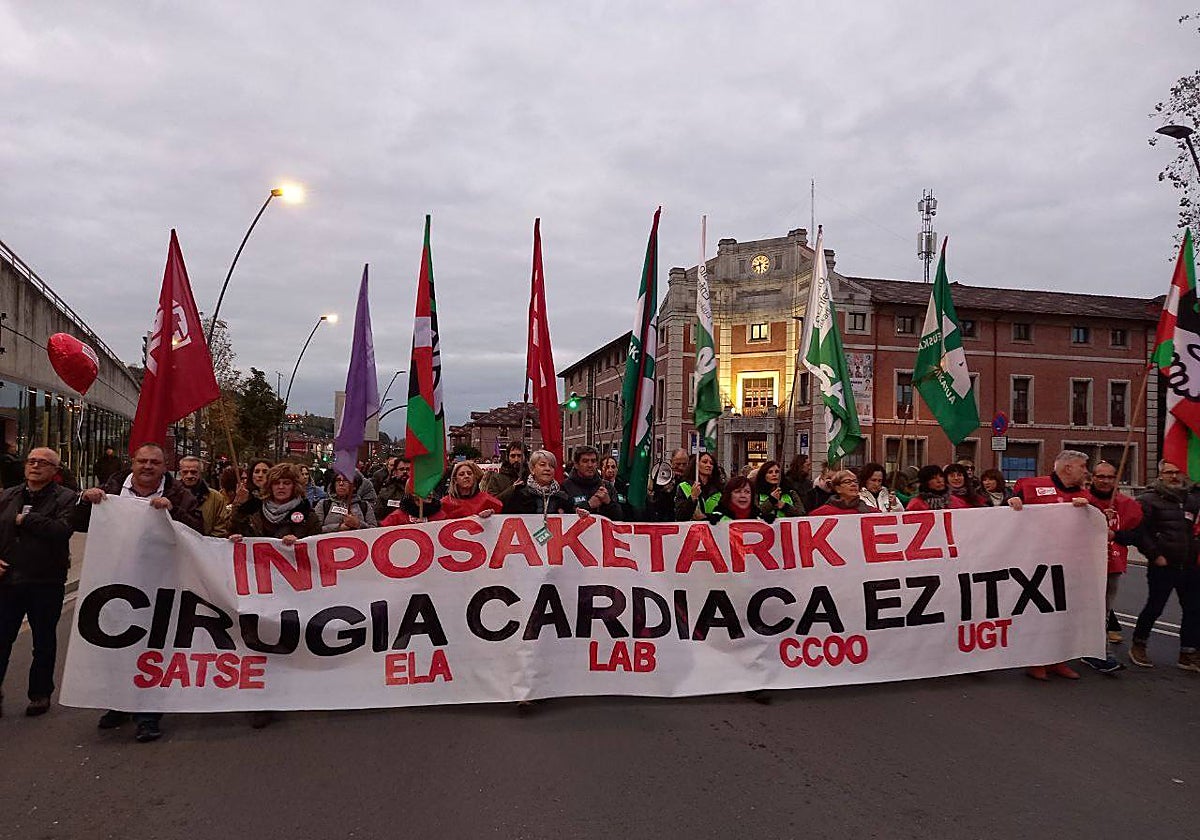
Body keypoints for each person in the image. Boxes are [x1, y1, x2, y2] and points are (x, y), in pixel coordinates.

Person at [78, 442, 202, 742]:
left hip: (161, 583)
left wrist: (173, 512)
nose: (147, 467)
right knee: (118, 645)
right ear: (132, 462)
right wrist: (85, 501)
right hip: (116, 583)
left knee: (153, 649)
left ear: (164, 466)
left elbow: (199, 531)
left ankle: (148, 714)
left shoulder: (180, 495)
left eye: (154, 463)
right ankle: (118, 704)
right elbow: (78, 523)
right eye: (142, 461)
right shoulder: (110, 490)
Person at [228, 463, 320, 729]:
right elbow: (232, 531)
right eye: (277, 483)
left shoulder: (307, 515)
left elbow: (318, 547)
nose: (281, 487)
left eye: (286, 483)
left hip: (291, 591)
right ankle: (262, 700)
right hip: (258, 588)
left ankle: (286, 690)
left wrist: (299, 546)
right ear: (269, 486)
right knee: (259, 642)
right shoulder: (253, 510)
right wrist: (236, 535)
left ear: (295, 486)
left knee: (286, 641)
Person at [0, 448, 77, 718]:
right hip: (8, 581)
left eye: (43, 463)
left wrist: (28, 519)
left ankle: (40, 693)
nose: (35, 466)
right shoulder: (8, 496)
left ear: (55, 470)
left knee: (43, 641)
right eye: (31, 461)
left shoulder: (66, 498)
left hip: (45, 580)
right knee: (1, 638)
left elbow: (61, 530)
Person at [1008, 449, 1094, 680]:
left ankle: (1058, 659)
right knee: (1038, 613)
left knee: (1064, 614)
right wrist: (1012, 503)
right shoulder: (1031, 486)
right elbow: (1007, 518)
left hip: (1070, 565)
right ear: (1068, 467)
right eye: (1082, 467)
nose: (1086, 472)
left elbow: (1098, 523)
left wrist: (1091, 510)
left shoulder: (1084, 495)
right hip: (1036, 563)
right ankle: (1035, 660)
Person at [1129, 460, 1200, 672]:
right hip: (1163, 564)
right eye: (1169, 472)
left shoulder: (1190, 499)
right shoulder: (1148, 500)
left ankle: (1188, 652)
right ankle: (1139, 644)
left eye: (1178, 472)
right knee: (1155, 607)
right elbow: (1139, 532)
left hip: (1189, 564)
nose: (1174, 476)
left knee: (1193, 609)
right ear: (1160, 475)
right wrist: (1155, 555)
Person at [1085, 461, 1142, 651]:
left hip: (1112, 564)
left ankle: (1099, 648)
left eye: (1110, 477)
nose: (1105, 481)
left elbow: (1137, 535)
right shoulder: (1081, 500)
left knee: (1105, 608)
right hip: (1083, 564)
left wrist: (1115, 535)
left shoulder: (1127, 504)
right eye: (1101, 476)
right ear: (1092, 478)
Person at [503, 450, 576, 516]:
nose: (547, 469)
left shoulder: (563, 497)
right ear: (532, 469)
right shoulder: (519, 496)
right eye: (542, 465)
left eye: (551, 466)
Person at [562, 445, 622, 519]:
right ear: (576, 465)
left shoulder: (607, 486)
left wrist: (608, 502)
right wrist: (588, 505)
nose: (590, 465)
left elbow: (620, 517)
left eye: (593, 461)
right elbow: (563, 517)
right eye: (585, 461)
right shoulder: (565, 487)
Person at [177, 456, 226, 537]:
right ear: (180, 473)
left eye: (193, 472)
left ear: (200, 472)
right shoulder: (170, 495)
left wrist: (205, 542)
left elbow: (221, 527)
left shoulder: (217, 498)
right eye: (185, 472)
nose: (189, 476)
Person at [675, 452, 723, 521]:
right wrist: (692, 498)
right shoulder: (684, 486)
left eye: (711, 463)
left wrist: (705, 517)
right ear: (696, 465)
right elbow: (680, 515)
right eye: (704, 462)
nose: (709, 465)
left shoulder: (719, 489)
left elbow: (724, 513)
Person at [649, 449, 689, 522]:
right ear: (671, 462)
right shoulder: (661, 478)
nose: (681, 467)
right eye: (678, 464)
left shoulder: (690, 480)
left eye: (684, 464)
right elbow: (655, 504)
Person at [905, 465, 970, 511]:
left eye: (941, 476)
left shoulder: (956, 501)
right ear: (925, 483)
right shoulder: (916, 504)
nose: (939, 480)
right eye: (933, 478)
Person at [375, 457, 413, 522]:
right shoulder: (386, 492)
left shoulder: (421, 491)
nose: (405, 472)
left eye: (408, 469)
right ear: (395, 472)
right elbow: (378, 516)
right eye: (401, 469)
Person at [601, 455, 635, 520]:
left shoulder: (624, 486)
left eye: (613, 467)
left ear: (617, 469)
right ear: (601, 469)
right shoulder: (596, 485)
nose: (610, 470)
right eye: (607, 467)